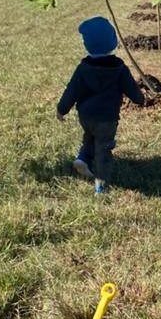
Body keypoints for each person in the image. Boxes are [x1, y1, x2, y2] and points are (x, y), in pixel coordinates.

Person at [57, 16, 144, 195]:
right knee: (103, 148)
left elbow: (71, 90)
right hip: (107, 118)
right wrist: (140, 99)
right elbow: (132, 89)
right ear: (113, 42)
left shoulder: (83, 68)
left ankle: (82, 158)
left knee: (90, 135)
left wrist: (61, 109)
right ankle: (101, 184)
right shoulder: (119, 69)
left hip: (86, 116)